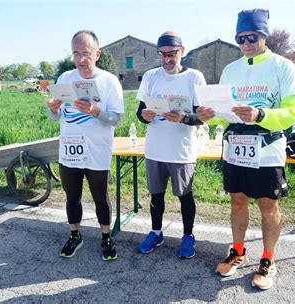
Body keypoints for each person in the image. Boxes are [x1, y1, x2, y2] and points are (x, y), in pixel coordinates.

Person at [197, 9, 295, 289]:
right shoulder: (231, 69)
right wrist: (211, 115)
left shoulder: (283, 67)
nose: (246, 43)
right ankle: (238, 251)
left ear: (264, 36)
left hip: (268, 146)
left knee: (268, 205)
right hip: (236, 147)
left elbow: (293, 110)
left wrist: (261, 116)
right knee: (237, 201)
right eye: (240, 38)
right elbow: (225, 112)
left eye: (252, 37)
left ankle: (268, 259)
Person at [46, 30, 124, 261]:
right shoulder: (64, 79)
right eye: (76, 53)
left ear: (97, 54)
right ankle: (75, 235)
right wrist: (52, 109)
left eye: (86, 53)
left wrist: (95, 111)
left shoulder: (109, 81)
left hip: (97, 150)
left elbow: (116, 119)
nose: (81, 59)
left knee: (100, 197)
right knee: (72, 197)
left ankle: (106, 238)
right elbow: (56, 116)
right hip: (69, 150)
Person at [136, 31, 206, 259]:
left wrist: (184, 118)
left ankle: (188, 236)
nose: (167, 59)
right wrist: (144, 116)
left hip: (182, 150)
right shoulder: (150, 77)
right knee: (156, 195)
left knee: (185, 196)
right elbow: (139, 112)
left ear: (181, 52)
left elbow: (201, 117)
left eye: (172, 54)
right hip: (155, 148)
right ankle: (156, 232)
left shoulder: (195, 77)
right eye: (163, 54)